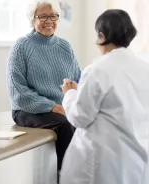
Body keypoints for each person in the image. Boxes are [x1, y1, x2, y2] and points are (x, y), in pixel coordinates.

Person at [60, 9, 149, 184]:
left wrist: (70, 93)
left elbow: (80, 117)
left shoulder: (98, 70)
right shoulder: (145, 68)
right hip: (136, 162)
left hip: (102, 164)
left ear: (102, 36)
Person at [6, 0, 81, 174]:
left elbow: (77, 77)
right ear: (32, 20)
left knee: (85, 121)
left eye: (53, 16)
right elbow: (19, 93)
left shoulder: (65, 46)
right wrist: (52, 106)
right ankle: (66, 175)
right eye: (43, 16)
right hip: (28, 110)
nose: (49, 20)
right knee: (65, 125)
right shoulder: (21, 47)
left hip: (61, 108)